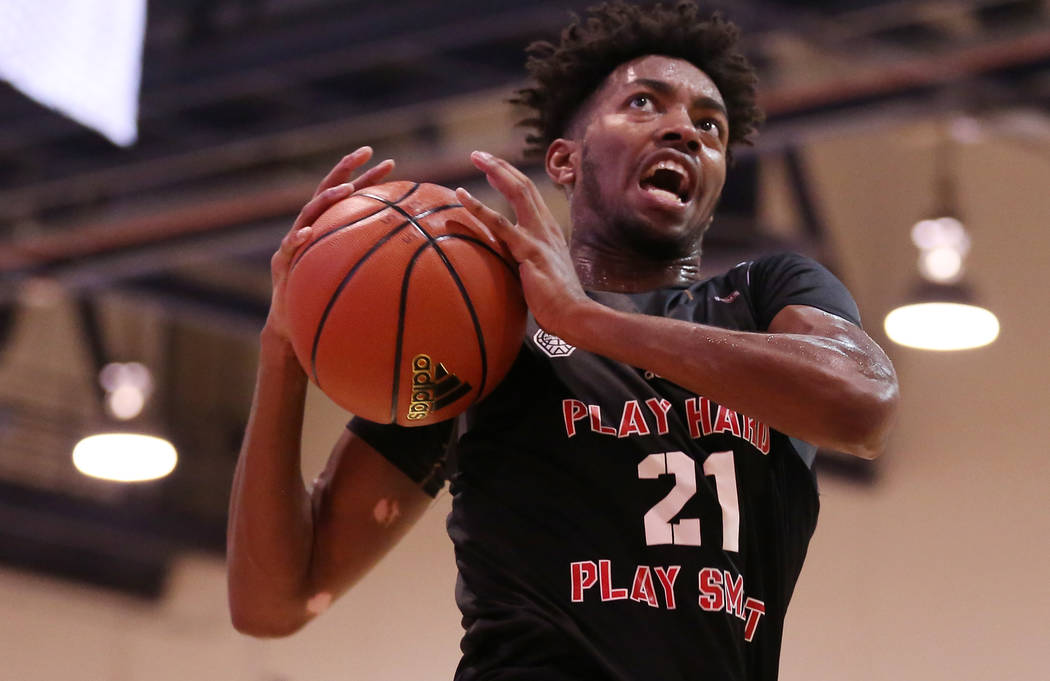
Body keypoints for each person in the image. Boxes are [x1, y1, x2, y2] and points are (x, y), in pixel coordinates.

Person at [226, 2, 900, 679]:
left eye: (710, 127)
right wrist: (283, 349)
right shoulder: (487, 335)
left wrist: (588, 323)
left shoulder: (763, 296)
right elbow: (274, 600)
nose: (684, 131)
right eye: (644, 103)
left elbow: (862, 408)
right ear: (565, 159)